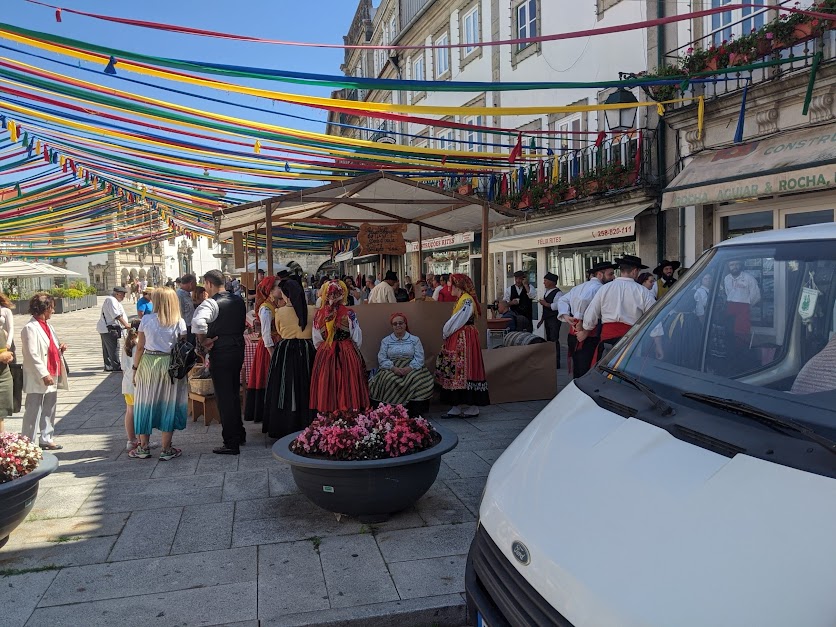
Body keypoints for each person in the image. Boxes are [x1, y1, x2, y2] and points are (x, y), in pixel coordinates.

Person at [129, 287, 188, 461]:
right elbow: (182, 347)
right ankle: (166, 449)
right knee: (169, 404)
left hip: (148, 362)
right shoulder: (179, 322)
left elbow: (140, 347)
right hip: (170, 364)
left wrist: (135, 369)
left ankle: (143, 448)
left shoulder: (146, 320)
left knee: (144, 403)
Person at [193, 270, 247, 455]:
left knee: (224, 397)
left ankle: (231, 441)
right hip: (238, 348)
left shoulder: (211, 303)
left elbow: (198, 323)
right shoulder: (238, 300)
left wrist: (203, 340)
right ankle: (238, 433)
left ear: (209, 283)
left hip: (222, 349)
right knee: (233, 392)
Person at [263, 279, 317, 439]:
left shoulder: (280, 312)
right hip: (307, 349)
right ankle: (308, 420)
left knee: (285, 387)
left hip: (286, 350)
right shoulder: (313, 310)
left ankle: (286, 423)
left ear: (286, 295)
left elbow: (280, 331)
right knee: (307, 384)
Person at [580, 255, 656, 364]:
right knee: (627, 369)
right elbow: (654, 317)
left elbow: (591, 314)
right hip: (631, 340)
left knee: (606, 369)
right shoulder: (643, 291)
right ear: (635, 271)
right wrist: (658, 345)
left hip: (608, 338)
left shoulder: (605, 288)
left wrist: (586, 329)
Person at [310, 280, 369, 413]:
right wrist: (352, 351)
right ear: (343, 294)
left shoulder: (319, 314)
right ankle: (348, 410)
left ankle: (329, 411)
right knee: (348, 380)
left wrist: (323, 349)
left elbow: (316, 339)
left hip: (326, 351)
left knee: (327, 381)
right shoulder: (349, 313)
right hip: (347, 351)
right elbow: (357, 337)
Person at [436, 274, 490, 417]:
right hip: (460, 336)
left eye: (451, 283)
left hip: (464, 338)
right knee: (456, 368)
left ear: (458, 286)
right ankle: (456, 406)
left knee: (465, 368)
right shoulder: (462, 299)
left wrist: (446, 331)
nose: (449, 286)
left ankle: (472, 407)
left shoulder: (467, 300)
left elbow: (459, 320)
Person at [20, 293, 67, 450]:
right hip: (38, 375)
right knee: (33, 408)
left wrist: (59, 349)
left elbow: (48, 346)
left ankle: (46, 438)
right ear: (43, 308)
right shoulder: (30, 328)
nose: (53, 310)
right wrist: (44, 374)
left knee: (50, 407)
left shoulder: (48, 326)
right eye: (51, 307)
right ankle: (28, 442)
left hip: (52, 369)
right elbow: (31, 354)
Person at [368, 313, 434, 416]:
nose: (398, 325)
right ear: (392, 326)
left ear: (405, 324)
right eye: (395, 324)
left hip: (411, 367)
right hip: (391, 367)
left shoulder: (414, 339)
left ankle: (413, 412)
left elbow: (420, 358)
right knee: (388, 379)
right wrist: (393, 368)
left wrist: (409, 368)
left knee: (417, 379)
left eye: (400, 323)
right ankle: (391, 411)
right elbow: (382, 358)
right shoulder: (386, 341)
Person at [558, 261, 616, 378]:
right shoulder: (598, 288)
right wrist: (580, 321)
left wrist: (566, 315)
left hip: (575, 333)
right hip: (588, 334)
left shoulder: (579, 287)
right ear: (600, 274)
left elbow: (562, 300)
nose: (613, 277)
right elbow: (583, 300)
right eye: (610, 274)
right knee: (586, 368)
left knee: (578, 367)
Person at [245, 276, 281, 424]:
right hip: (269, 347)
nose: (281, 289)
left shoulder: (275, 305)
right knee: (266, 376)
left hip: (276, 343)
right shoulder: (266, 308)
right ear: (270, 291)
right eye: (278, 287)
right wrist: (272, 353)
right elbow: (266, 333)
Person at [724, 259, 761, 347]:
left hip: (743, 310)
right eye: (732, 265)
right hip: (730, 309)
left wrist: (747, 306)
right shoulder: (726, 278)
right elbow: (728, 293)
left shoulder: (749, 278)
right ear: (728, 267)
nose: (734, 267)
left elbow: (756, 296)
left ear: (741, 265)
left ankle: (741, 351)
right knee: (730, 333)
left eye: (737, 264)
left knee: (742, 334)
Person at [96, 286, 130, 372]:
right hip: (108, 329)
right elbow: (116, 315)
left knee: (108, 348)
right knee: (114, 347)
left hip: (106, 328)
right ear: (118, 294)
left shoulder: (113, 300)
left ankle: (108, 365)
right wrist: (126, 325)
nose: (124, 297)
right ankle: (115, 365)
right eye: (123, 294)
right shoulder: (111, 300)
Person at [537, 272, 564, 369]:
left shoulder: (558, 293)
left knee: (554, 339)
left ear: (551, 282)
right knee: (549, 339)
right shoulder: (547, 292)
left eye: (545, 281)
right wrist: (541, 320)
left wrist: (546, 304)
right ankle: (550, 360)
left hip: (554, 319)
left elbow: (557, 305)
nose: (544, 283)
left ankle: (556, 362)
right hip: (548, 319)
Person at [121, 321, 140, 451]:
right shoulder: (139, 345)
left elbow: (123, 367)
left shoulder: (127, 345)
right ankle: (139, 440)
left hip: (127, 383)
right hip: (135, 383)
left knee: (129, 411)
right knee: (137, 412)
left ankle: (131, 439)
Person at [177, 273, 196, 342]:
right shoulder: (180, 295)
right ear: (191, 283)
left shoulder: (188, 294)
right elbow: (180, 312)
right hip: (185, 328)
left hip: (190, 326)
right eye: (195, 283)